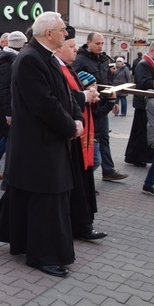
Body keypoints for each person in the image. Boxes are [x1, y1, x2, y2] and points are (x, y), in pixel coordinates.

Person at [0, 12, 83, 278]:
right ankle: (41, 255)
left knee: (35, 198)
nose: (66, 34)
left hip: (47, 141)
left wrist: (77, 117)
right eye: (63, 30)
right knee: (43, 202)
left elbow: (65, 95)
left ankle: (24, 241)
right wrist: (69, 126)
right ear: (48, 34)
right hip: (37, 145)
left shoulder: (46, 56)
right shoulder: (30, 59)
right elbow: (44, 103)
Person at [55, 30, 107, 241]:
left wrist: (90, 94)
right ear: (59, 48)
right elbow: (62, 98)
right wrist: (84, 95)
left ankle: (82, 224)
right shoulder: (56, 67)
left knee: (84, 178)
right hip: (71, 132)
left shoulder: (67, 67)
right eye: (71, 46)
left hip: (80, 128)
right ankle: (80, 225)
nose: (76, 50)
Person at [72, 32, 127, 182]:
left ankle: (108, 170)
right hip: (90, 106)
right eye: (97, 43)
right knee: (90, 140)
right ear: (88, 43)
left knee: (104, 137)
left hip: (104, 103)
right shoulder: (80, 60)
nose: (100, 46)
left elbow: (108, 81)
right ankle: (85, 177)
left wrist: (113, 101)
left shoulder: (103, 59)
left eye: (102, 43)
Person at [0, 31, 26, 181]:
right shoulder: (8, 62)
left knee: (7, 135)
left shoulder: (9, 59)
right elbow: (4, 89)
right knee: (8, 136)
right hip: (7, 107)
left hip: (8, 106)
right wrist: (9, 113)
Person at [125, 41, 154, 167]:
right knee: (144, 133)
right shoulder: (143, 64)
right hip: (144, 103)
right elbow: (143, 83)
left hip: (151, 103)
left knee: (142, 133)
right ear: (152, 51)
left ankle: (136, 157)